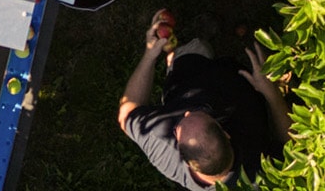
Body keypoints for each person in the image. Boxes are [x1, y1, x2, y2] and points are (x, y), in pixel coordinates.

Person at [118, 11, 289, 188]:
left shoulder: (160, 143)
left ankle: (187, 47)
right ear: (226, 133)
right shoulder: (259, 174)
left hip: (189, 78)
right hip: (244, 92)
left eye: (179, 126)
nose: (187, 112)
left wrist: (150, 55)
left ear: (181, 156)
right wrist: (272, 94)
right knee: (203, 50)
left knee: (193, 49)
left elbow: (126, 113)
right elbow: (293, 145)